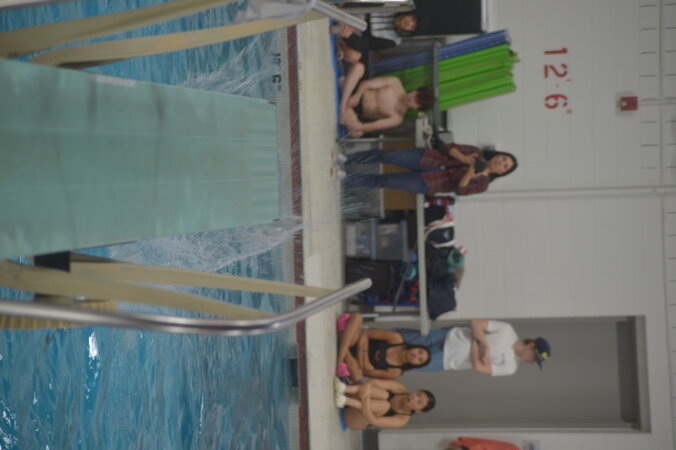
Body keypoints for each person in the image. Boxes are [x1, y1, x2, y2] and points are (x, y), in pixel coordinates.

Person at [344, 144, 517, 195]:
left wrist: (470, 173)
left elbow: (460, 190)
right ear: (498, 155)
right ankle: (349, 159)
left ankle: (347, 177)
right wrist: (464, 158)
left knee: (386, 181)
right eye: (503, 158)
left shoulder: (483, 184)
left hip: (430, 183)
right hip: (429, 159)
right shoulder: (476, 152)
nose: (501, 162)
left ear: (501, 172)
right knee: (389, 156)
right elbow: (450, 147)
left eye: (505, 165)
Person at [396, 319, 551, 376]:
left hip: (446, 360)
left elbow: (478, 367)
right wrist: (484, 345)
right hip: (448, 336)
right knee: (405, 337)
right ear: (531, 345)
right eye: (534, 357)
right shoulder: (507, 330)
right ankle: (379, 334)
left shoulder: (511, 367)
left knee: (402, 363)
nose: (531, 362)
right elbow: (475, 323)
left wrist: (475, 341)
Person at [339, 61, 434, 137]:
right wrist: (357, 95)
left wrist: (359, 126)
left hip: (355, 110)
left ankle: (344, 101)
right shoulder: (395, 82)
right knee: (359, 67)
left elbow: (374, 126)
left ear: (417, 108)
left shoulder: (397, 118)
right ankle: (343, 106)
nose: (411, 98)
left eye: (416, 101)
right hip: (356, 92)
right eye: (415, 95)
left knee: (357, 133)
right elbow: (366, 84)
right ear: (415, 90)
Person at [336, 313, 431, 383]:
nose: (416, 356)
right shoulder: (396, 338)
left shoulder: (396, 372)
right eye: (419, 352)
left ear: (415, 365)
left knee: (357, 377)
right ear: (416, 347)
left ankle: (343, 338)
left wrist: (363, 345)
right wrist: (363, 353)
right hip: (354, 341)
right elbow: (365, 333)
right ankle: (341, 359)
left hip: (354, 362)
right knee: (357, 316)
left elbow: (368, 373)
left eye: (419, 360)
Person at [335, 378, 435, 430]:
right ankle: (343, 388)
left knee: (385, 406)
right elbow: (372, 382)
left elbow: (373, 420)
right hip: (355, 394)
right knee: (384, 394)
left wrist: (365, 397)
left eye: (418, 402)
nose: (414, 398)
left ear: (418, 411)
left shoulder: (402, 419)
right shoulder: (400, 388)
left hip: (356, 417)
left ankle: (344, 400)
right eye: (418, 394)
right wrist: (367, 391)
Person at [335, 12, 419, 64]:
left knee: (353, 56)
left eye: (412, 26)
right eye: (412, 18)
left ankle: (339, 40)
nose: (409, 23)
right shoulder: (394, 4)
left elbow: (366, 44)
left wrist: (349, 36)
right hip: (357, 12)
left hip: (356, 33)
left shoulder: (394, 41)